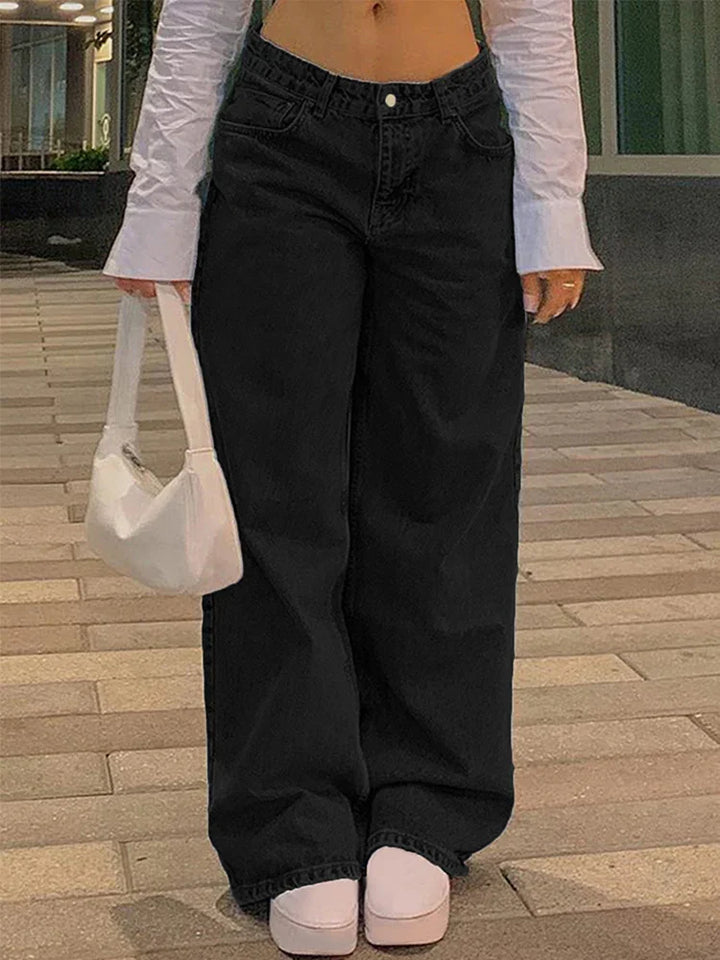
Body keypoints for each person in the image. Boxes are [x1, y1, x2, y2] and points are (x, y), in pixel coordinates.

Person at [104, 0, 604, 954]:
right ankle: (292, 824)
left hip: (459, 138)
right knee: (274, 497)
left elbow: (532, 16)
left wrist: (552, 206)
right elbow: (202, 14)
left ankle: (428, 804)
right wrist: (161, 203)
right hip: (283, 137)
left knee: (447, 491)